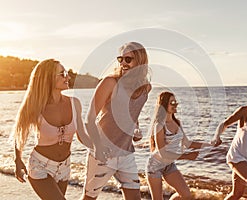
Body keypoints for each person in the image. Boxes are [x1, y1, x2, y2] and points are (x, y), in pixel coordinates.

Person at [13, 59, 92, 200]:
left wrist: (100, 146)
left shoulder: (75, 103)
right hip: (40, 166)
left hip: (65, 167)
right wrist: (18, 160)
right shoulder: (35, 106)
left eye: (66, 73)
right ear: (48, 78)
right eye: (62, 74)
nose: (67, 77)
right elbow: (20, 134)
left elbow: (82, 136)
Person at [82, 42, 152, 200]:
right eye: (120, 59)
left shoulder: (145, 88)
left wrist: (136, 129)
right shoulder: (110, 83)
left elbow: (132, 113)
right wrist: (98, 149)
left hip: (126, 153)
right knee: (89, 198)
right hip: (103, 152)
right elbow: (89, 119)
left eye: (128, 59)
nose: (123, 63)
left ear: (140, 61)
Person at [146, 91, 211, 200]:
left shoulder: (178, 123)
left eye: (175, 102)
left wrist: (210, 144)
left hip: (169, 165)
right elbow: (163, 153)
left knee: (186, 195)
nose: (176, 105)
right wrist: (186, 156)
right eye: (172, 102)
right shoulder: (159, 125)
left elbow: (187, 143)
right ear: (164, 105)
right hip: (155, 166)